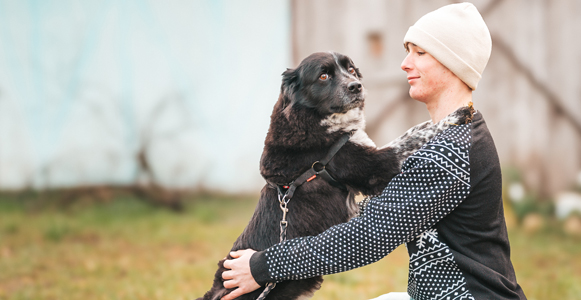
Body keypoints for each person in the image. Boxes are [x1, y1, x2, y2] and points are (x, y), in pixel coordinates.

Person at [221, 3, 526, 300]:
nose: (405, 63)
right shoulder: (454, 133)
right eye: (408, 52)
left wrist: (262, 265)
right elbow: (381, 205)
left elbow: (364, 238)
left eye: (420, 53)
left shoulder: (448, 153)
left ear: (453, 63)